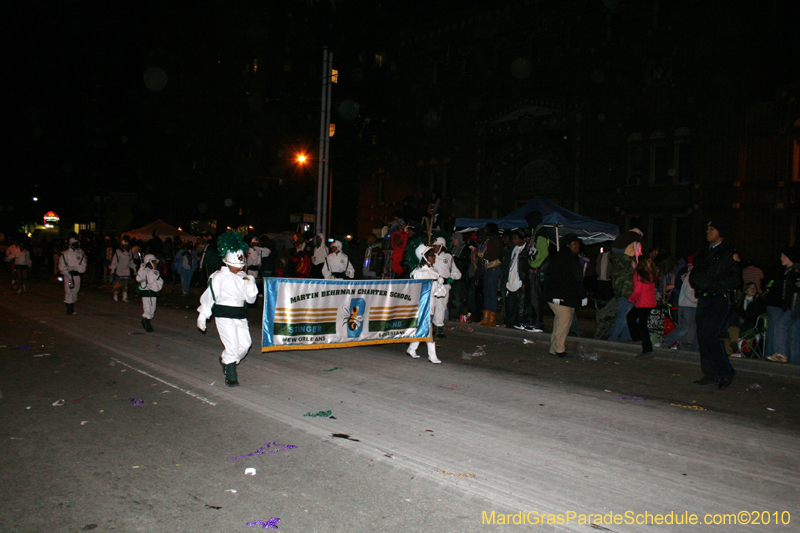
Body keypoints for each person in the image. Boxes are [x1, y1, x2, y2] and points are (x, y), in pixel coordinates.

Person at [196, 231, 259, 387]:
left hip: (240, 315)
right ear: (227, 262)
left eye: (240, 265)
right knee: (231, 345)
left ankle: (226, 360)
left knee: (245, 344)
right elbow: (209, 296)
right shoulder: (217, 277)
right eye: (235, 265)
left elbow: (251, 300)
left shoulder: (243, 277)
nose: (238, 268)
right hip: (223, 315)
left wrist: (251, 285)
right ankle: (231, 375)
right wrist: (203, 315)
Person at [690, 220, 741, 389]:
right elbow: (695, 274)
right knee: (703, 336)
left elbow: (734, 278)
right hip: (704, 298)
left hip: (720, 298)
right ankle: (710, 374)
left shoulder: (729, 252)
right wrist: (700, 283)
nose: (708, 231)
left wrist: (710, 283)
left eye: (712, 229)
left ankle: (726, 371)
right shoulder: (704, 252)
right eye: (707, 228)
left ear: (720, 232)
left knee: (711, 334)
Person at [543, 233, 587, 357]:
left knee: (561, 321)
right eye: (574, 244)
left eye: (578, 243)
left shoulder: (573, 258)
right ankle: (559, 349)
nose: (577, 246)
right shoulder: (562, 257)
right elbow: (555, 276)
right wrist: (556, 294)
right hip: (558, 295)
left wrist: (583, 295)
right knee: (564, 320)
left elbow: (577, 279)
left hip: (567, 296)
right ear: (568, 245)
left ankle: (554, 347)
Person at [406, 244, 446, 363]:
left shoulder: (434, 271)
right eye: (432, 255)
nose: (434, 257)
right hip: (422, 304)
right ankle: (432, 355)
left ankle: (412, 348)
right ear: (424, 257)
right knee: (428, 328)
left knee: (421, 328)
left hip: (431, 304)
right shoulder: (418, 273)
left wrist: (440, 284)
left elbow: (439, 293)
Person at [607, 229, 644, 342]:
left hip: (626, 290)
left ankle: (624, 340)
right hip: (628, 291)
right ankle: (612, 339)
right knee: (624, 316)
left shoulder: (618, 260)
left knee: (629, 317)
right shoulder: (627, 261)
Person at [765, 246, 800, 364]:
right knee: (794, 332)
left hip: (795, 307)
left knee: (780, 325)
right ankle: (795, 362)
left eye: (783, 255)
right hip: (793, 307)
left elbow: (794, 292)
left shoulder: (795, 271)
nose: (781, 258)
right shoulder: (789, 271)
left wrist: (792, 307)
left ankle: (780, 353)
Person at [661, 260, 699, 351]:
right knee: (684, 328)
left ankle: (687, 346)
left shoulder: (691, 276)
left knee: (690, 327)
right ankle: (666, 341)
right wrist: (699, 300)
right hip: (688, 305)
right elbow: (689, 293)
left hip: (689, 305)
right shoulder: (691, 277)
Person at [431, 236, 461, 337]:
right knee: (431, 306)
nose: (434, 247)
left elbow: (456, 272)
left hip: (444, 286)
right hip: (433, 284)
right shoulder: (430, 256)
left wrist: (451, 277)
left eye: (436, 246)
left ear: (441, 246)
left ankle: (439, 327)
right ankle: (430, 326)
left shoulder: (448, 257)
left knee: (441, 306)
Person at [725, 282, 766, 357]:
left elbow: (755, 315)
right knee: (731, 322)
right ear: (746, 290)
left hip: (750, 325)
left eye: (754, 288)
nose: (753, 289)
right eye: (751, 288)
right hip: (739, 325)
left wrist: (744, 318)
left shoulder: (759, 302)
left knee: (729, 325)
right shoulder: (740, 302)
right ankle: (733, 344)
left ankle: (730, 349)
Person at [524, 212, 549, 332]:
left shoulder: (541, 232)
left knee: (535, 298)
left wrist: (533, 266)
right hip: (533, 269)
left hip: (536, 271)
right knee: (530, 297)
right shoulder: (536, 231)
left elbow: (543, 253)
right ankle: (530, 321)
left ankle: (537, 323)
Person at [627, 259, 658, 358]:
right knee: (631, 317)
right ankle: (637, 338)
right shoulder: (648, 274)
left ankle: (647, 349)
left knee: (642, 325)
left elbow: (637, 291)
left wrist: (631, 299)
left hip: (642, 303)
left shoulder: (638, 275)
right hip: (648, 302)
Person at [475, 223, 504, 327]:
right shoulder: (488, 239)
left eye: (487, 228)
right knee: (486, 293)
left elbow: (494, 255)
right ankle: (486, 317)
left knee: (491, 294)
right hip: (488, 268)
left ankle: (492, 319)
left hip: (493, 268)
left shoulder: (495, 240)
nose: (485, 230)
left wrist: (479, 254)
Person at [502, 229, 528, 330]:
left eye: (516, 239)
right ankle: (510, 323)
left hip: (520, 280)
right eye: (513, 239)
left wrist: (524, 280)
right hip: (510, 279)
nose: (514, 241)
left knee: (520, 304)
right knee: (510, 304)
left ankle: (519, 322)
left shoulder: (526, 250)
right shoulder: (512, 249)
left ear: (521, 239)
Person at [58, 234, 87, 315]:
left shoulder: (80, 254)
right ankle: (69, 308)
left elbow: (82, 268)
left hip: (77, 276)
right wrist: (68, 274)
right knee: (68, 291)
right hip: (68, 277)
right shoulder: (65, 254)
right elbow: (62, 267)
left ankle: (72, 307)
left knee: (75, 291)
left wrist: (72, 268)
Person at [136, 254, 164, 332]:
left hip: (153, 293)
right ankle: (147, 324)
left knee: (152, 309)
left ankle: (145, 320)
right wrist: (141, 269)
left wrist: (151, 286)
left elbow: (159, 282)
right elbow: (139, 278)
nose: (156, 263)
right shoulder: (144, 271)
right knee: (147, 308)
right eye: (154, 262)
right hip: (145, 293)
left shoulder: (155, 272)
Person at [110, 237, 136, 302]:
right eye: (124, 246)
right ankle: (115, 294)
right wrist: (113, 269)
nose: (125, 247)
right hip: (119, 271)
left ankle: (124, 297)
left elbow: (131, 262)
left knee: (125, 285)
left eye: (126, 245)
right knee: (118, 285)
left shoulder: (129, 253)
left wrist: (134, 270)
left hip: (126, 271)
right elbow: (114, 261)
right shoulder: (118, 252)